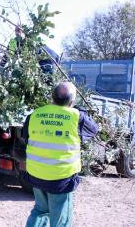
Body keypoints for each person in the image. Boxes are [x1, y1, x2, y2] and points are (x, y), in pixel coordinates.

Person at [23, 81, 98, 227]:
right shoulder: (77, 117)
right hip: (61, 178)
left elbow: (26, 137)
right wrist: (80, 110)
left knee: (40, 210)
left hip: (36, 174)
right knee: (61, 219)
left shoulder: (34, 115)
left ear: (52, 97)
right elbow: (94, 130)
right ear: (72, 100)